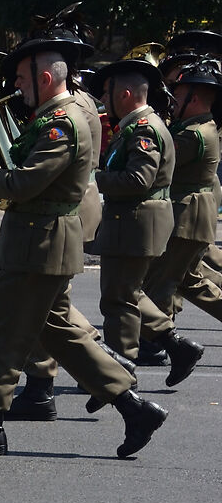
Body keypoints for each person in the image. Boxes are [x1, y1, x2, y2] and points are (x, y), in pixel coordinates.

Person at [0, 12, 165, 458]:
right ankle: (133, 405)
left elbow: (25, 182)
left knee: (5, 335)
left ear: (45, 78)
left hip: (37, 239)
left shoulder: (61, 123)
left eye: (22, 79)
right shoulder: (57, 115)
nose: (17, 88)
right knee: (61, 333)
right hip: (40, 237)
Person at [137, 51, 221, 384]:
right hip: (191, 217)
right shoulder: (196, 127)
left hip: (185, 218)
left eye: (180, 94)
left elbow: (158, 161)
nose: (174, 99)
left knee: (156, 284)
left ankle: (165, 346)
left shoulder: (195, 134)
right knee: (190, 281)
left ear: (196, 98)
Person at [87, 52, 174, 365]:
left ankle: (118, 373)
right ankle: (175, 344)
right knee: (126, 293)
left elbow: (138, 179)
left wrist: (94, 178)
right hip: (132, 222)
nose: (102, 100)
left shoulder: (143, 129)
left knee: (119, 300)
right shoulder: (135, 125)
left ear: (123, 94)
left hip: (134, 222)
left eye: (106, 93)